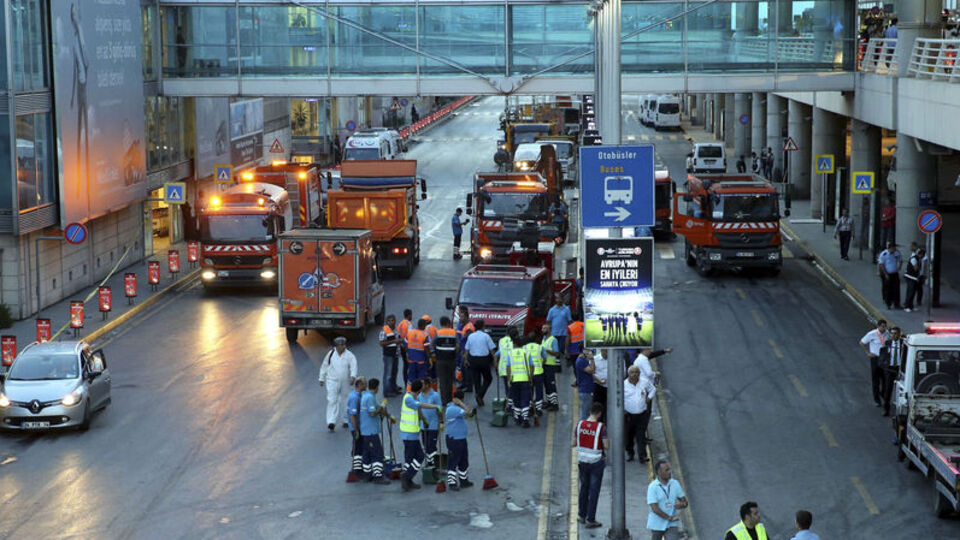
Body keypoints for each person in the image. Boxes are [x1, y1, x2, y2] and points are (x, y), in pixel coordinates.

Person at [399, 379, 442, 491]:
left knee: (411, 457)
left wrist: (424, 420)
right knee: (419, 456)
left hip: (411, 434)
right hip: (409, 434)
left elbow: (418, 411)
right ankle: (407, 476)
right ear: (419, 390)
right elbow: (421, 406)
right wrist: (435, 406)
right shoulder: (409, 399)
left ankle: (408, 480)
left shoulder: (413, 397)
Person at [575, 402, 608, 529]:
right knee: (593, 491)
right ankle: (591, 519)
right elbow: (606, 446)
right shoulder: (601, 427)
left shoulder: (579, 425)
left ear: (590, 411)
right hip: (596, 463)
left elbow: (573, 442)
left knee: (584, 488)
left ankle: (581, 515)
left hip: (582, 462)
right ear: (599, 413)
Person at [318, 337, 358, 431]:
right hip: (332, 380)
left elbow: (353, 366)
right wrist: (321, 378)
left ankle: (345, 420)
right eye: (340, 345)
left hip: (345, 381)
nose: (342, 347)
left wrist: (353, 377)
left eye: (343, 345)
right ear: (336, 346)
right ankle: (331, 421)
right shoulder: (331, 354)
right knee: (332, 400)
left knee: (345, 400)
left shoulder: (349, 355)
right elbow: (324, 366)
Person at [359, 378, 391, 485]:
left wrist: (388, 415)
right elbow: (372, 413)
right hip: (371, 431)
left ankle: (367, 475)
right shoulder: (370, 398)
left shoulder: (367, 396)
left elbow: (378, 409)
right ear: (377, 387)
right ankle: (378, 476)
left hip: (365, 431)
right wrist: (382, 406)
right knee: (377, 453)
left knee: (367, 454)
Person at [647, 461, 688, 540]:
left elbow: (684, 502)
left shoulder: (675, 484)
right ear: (659, 472)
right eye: (667, 470)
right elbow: (655, 508)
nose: (670, 472)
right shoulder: (652, 487)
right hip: (657, 524)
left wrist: (683, 504)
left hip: (672, 524)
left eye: (670, 469)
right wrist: (669, 518)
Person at [444, 390, 475, 491]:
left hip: (461, 438)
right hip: (454, 439)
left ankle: (463, 480)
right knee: (454, 460)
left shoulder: (456, 409)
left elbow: (468, 416)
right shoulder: (452, 409)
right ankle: (452, 482)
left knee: (463, 460)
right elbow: (467, 412)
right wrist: (461, 404)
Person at [624, 365, 656, 463]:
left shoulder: (644, 382)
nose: (634, 374)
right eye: (632, 372)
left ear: (639, 373)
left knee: (641, 435)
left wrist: (649, 398)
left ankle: (642, 456)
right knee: (628, 436)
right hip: (629, 415)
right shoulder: (623, 384)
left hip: (642, 414)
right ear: (628, 374)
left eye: (636, 372)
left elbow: (653, 389)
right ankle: (630, 453)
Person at [464, 319, 497, 406]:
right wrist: (495, 361)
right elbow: (492, 350)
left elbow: (467, 349)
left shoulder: (471, 336)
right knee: (488, 379)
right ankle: (480, 395)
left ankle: (479, 396)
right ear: (483, 327)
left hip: (473, 360)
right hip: (484, 360)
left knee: (477, 380)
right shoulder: (486, 336)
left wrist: (466, 360)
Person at [860, 319, 889, 408]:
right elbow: (862, 342)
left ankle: (883, 393)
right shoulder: (871, 334)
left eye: (885, 327)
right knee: (875, 380)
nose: (884, 329)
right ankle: (877, 400)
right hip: (875, 358)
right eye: (882, 327)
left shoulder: (887, 333)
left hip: (884, 359)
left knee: (885, 379)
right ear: (878, 326)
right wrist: (868, 353)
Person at [507, 335, 533, 427]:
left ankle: (517, 418)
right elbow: (531, 366)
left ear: (514, 344)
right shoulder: (526, 352)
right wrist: (531, 377)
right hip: (525, 379)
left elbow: (508, 367)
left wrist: (509, 379)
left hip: (514, 380)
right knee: (525, 398)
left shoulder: (510, 353)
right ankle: (525, 418)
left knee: (516, 399)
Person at [880, 326, 905, 417]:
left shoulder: (903, 344)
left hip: (899, 369)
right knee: (887, 390)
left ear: (899, 334)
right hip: (890, 369)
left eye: (895, 333)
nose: (893, 335)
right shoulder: (888, 343)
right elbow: (883, 355)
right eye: (892, 333)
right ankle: (886, 409)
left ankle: (901, 409)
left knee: (901, 390)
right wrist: (884, 365)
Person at [434, 316, 459, 405]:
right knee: (450, 379)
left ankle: (444, 400)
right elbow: (457, 346)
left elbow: (433, 344)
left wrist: (434, 354)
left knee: (443, 380)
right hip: (451, 359)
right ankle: (449, 399)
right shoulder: (453, 332)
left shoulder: (438, 332)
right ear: (448, 323)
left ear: (441, 324)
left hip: (440, 360)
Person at [419, 378, 443, 466]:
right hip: (423, 426)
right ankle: (430, 462)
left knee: (431, 446)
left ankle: (433, 464)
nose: (420, 386)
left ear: (427, 385)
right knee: (425, 446)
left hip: (433, 426)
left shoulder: (435, 395)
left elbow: (439, 409)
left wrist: (441, 422)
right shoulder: (419, 395)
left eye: (422, 384)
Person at [347, 377, 367, 475]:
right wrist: (356, 430)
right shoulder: (355, 398)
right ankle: (357, 469)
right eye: (364, 384)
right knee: (358, 447)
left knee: (359, 446)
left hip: (358, 426)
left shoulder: (357, 395)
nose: (366, 385)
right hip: (356, 427)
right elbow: (352, 415)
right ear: (359, 385)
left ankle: (359, 467)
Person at [496, 327, 518, 411]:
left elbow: (497, 354)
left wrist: (496, 365)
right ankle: (512, 405)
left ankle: (509, 404)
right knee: (513, 387)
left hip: (503, 369)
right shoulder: (516, 345)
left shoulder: (502, 342)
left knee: (507, 387)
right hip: (513, 370)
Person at [379, 315, 402, 397]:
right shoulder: (384, 331)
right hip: (388, 355)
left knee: (394, 372)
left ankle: (393, 388)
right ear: (387, 322)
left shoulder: (396, 330)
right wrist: (394, 341)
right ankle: (387, 391)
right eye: (389, 320)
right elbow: (381, 343)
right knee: (388, 374)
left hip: (395, 354)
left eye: (393, 320)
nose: (391, 322)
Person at [541, 323, 562, 411]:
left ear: (549, 329)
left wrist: (547, 350)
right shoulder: (544, 339)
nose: (543, 329)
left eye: (545, 328)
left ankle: (554, 404)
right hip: (544, 365)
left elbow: (557, 353)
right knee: (546, 384)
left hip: (550, 365)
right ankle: (549, 401)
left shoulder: (553, 340)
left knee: (551, 385)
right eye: (542, 328)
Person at [405, 318, 432, 384]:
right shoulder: (425, 335)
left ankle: (409, 392)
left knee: (411, 378)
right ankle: (420, 393)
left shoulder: (410, 332)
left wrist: (407, 353)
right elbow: (426, 348)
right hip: (421, 361)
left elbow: (405, 344)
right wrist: (429, 358)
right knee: (421, 379)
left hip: (411, 360)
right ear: (423, 326)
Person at [524, 332, 546, 415]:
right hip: (539, 372)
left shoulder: (524, 348)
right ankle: (538, 409)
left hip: (528, 373)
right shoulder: (540, 347)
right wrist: (540, 363)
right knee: (539, 391)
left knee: (530, 391)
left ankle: (530, 408)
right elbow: (544, 358)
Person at [877, 241, 902, 310]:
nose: (894, 250)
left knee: (896, 289)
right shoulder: (884, 254)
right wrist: (885, 274)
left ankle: (897, 303)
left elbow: (900, 260)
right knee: (888, 289)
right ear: (889, 248)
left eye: (894, 249)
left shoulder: (897, 253)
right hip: (887, 274)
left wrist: (899, 268)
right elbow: (881, 264)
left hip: (895, 273)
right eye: (892, 249)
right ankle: (888, 303)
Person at [455, 306, 475, 393]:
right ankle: (464, 384)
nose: (460, 318)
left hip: (467, 351)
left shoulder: (469, 327)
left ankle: (469, 386)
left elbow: (469, 341)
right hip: (462, 350)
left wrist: (465, 352)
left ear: (467, 317)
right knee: (463, 369)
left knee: (467, 370)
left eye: (462, 317)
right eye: (460, 316)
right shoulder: (462, 325)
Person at [575, 349, 597, 421]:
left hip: (587, 389)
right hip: (585, 390)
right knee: (585, 413)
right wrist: (592, 358)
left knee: (586, 411)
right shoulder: (581, 361)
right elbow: (592, 370)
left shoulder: (584, 360)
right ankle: (582, 429)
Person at [591, 350, 609, 423]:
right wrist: (598, 380)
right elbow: (591, 373)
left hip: (611, 388)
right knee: (598, 407)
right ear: (601, 351)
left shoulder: (613, 359)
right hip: (599, 387)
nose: (606, 353)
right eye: (605, 351)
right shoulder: (595, 359)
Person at [397, 309, 413, 386]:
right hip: (407, 347)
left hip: (401, 346)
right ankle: (408, 383)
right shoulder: (409, 324)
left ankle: (405, 382)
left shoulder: (400, 323)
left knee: (405, 365)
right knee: (409, 366)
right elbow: (409, 337)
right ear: (409, 315)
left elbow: (398, 335)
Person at [903, 243, 921, 312]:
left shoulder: (916, 258)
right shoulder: (914, 259)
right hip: (911, 277)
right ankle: (907, 306)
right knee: (910, 292)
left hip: (914, 278)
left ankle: (911, 306)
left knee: (913, 292)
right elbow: (916, 268)